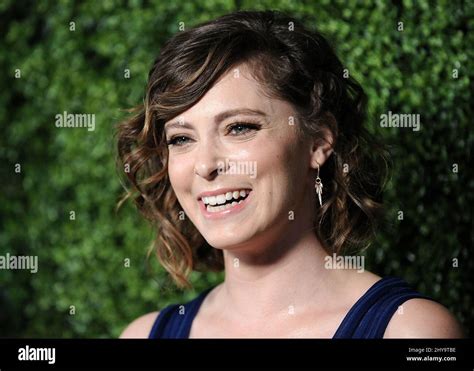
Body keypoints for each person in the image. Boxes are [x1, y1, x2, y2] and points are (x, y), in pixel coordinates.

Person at [117, 10, 463, 338]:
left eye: (239, 128)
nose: (205, 165)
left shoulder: (409, 331)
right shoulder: (144, 336)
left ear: (318, 141)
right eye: (181, 138)